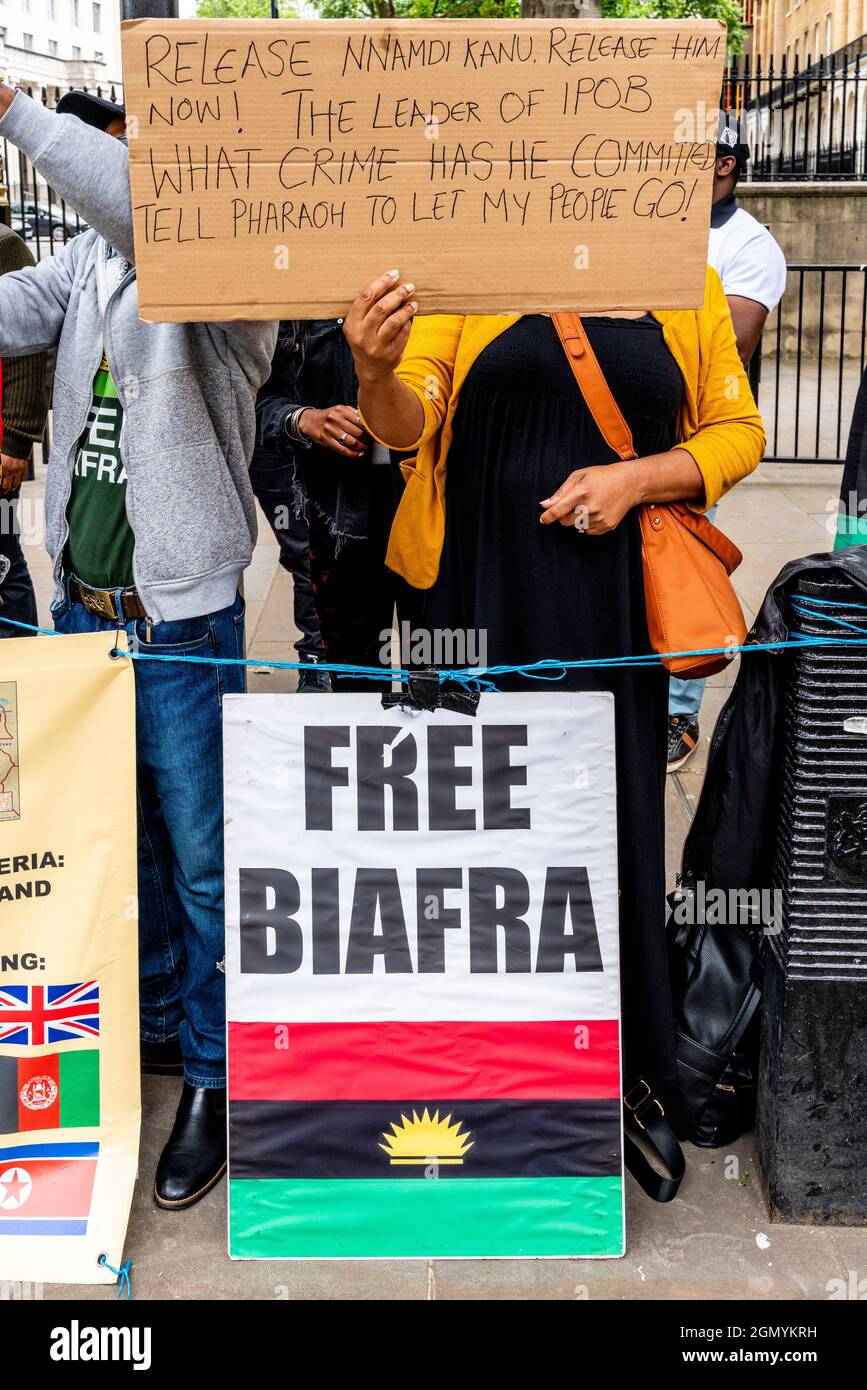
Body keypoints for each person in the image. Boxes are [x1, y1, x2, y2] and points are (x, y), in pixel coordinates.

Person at [343, 267, 765, 1105]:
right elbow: (410, 422)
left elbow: (736, 430)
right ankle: (463, 1058)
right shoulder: (468, 263)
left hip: (613, 613)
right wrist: (373, 373)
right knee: (468, 824)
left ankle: (613, 1070)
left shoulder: (688, 278)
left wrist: (636, 479)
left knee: (601, 820)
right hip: (467, 597)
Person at [0, 82, 278, 1209]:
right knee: (134, 847)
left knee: (208, 861)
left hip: (183, 620)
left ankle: (215, 1078)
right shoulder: (90, 267)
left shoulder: (229, 262)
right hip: (87, 612)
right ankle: (162, 1025)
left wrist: (14, 108)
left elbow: (149, 215)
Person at [668, 114, 787, 770]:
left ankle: (677, 714)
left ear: (724, 163)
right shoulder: (656, 229)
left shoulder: (748, 245)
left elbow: (733, 343)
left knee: (685, 569)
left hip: (694, 435)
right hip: (628, 431)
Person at [256, 318, 418, 689]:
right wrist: (304, 420)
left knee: (437, 670)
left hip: (430, 509)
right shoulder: (303, 302)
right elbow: (258, 397)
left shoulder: (435, 301)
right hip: (341, 514)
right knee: (355, 678)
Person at [0, 220, 50, 635]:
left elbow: (29, 353)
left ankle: (19, 669)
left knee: (2, 560)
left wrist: (15, 440)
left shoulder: (4, 244)